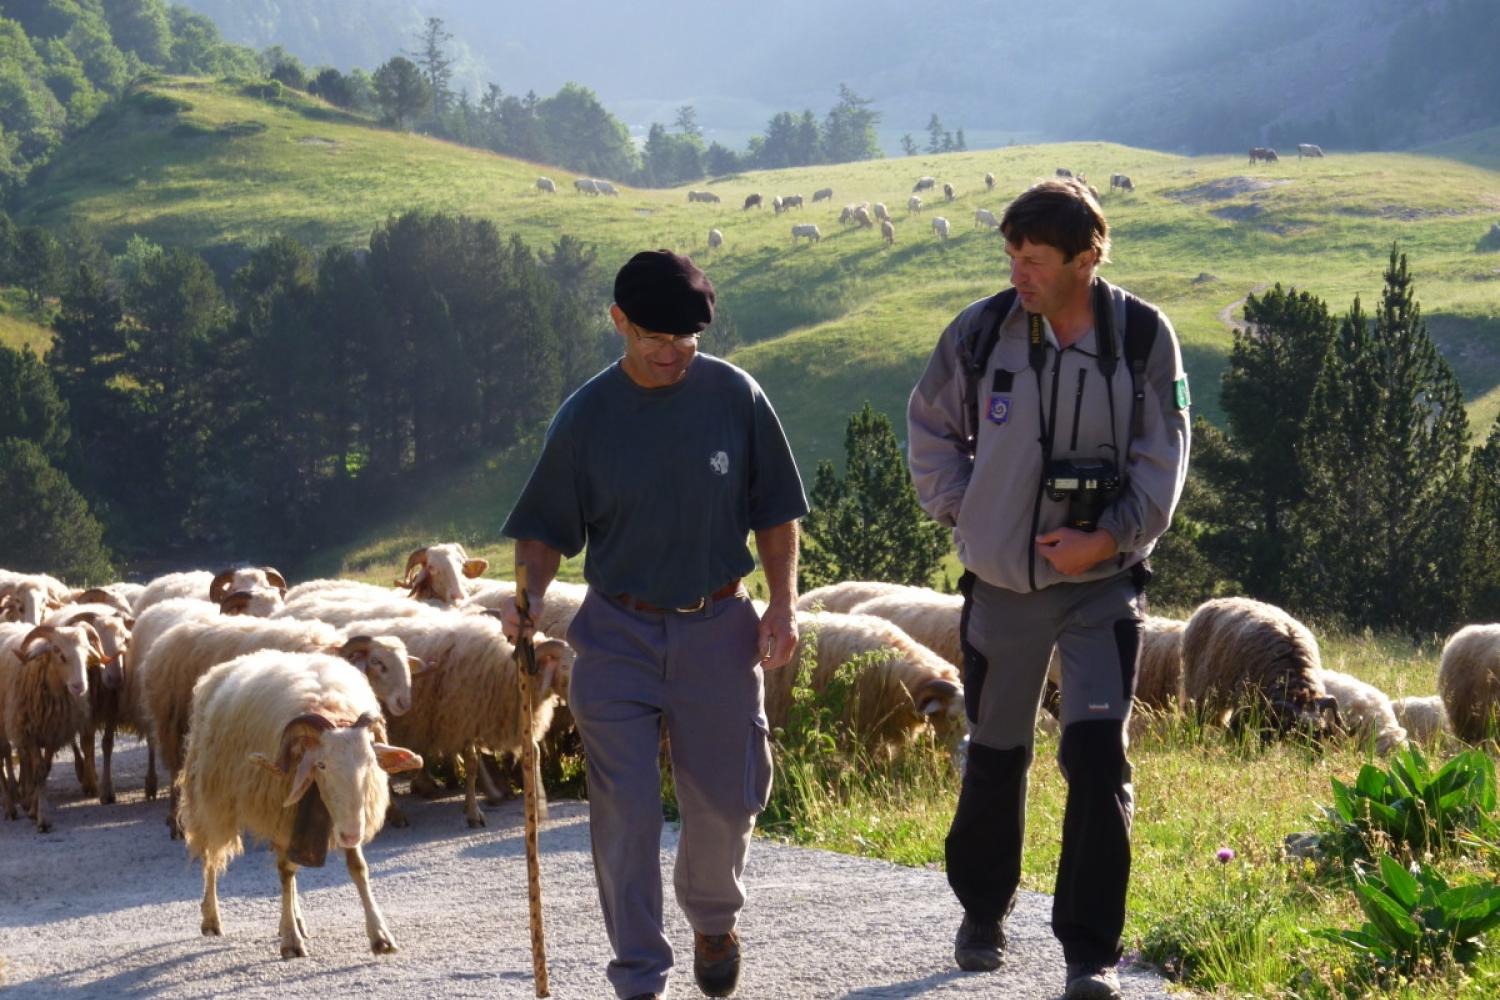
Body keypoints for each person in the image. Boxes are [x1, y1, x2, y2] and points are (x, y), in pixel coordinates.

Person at [906, 178, 1190, 1000]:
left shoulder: (1141, 336)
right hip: (1001, 588)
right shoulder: (982, 331)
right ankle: (983, 911)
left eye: (1034, 260)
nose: (1018, 273)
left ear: (1086, 256)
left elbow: (1163, 457)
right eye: (1012, 257)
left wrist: (1108, 538)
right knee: (997, 754)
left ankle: (1088, 955)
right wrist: (970, 513)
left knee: (1098, 759)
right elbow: (930, 428)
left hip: (1102, 588)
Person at [499, 249, 807, 1000]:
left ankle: (713, 918)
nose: (670, 353)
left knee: (725, 802)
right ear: (618, 323)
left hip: (719, 625)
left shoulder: (735, 397)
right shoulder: (585, 418)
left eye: (686, 339)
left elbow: (777, 513)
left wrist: (784, 603)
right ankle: (639, 975)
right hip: (616, 634)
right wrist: (530, 595)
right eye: (652, 337)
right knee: (626, 812)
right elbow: (542, 530)